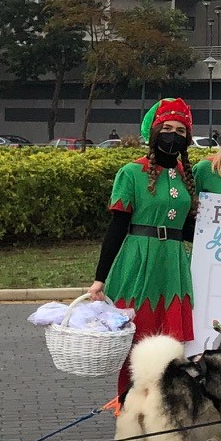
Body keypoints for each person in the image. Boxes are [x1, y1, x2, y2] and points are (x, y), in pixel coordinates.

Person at [86, 98, 197, 402]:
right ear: (154, 131)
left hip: (173, 265)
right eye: (167, 128)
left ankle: (163, 416)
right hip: (139, 263)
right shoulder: (132, 173)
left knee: (171, 348)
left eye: (180, 130)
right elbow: (117, 228)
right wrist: (100, 278)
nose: (174, 135)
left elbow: (187, 229)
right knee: (137, 345)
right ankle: (133, 420)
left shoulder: (185, 176)